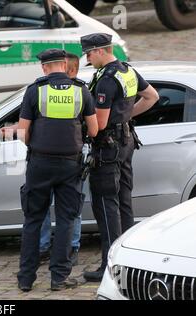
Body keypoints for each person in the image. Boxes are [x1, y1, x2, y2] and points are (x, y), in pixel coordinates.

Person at [16, 49, 98, 292]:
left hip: (39, 163)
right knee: (65, 220)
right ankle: (59, 278)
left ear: (44, 68)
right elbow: (93, 131)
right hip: (70, 166)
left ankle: (26, 279)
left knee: (33, 219)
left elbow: (22, 132)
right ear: (65, 64)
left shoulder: (35, 90)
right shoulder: (81, 90)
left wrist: (36, 142)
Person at [80, 33, 159, 282]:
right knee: (124, 201)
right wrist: (126, 117)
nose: (88, 59)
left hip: (108, 147)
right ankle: (128, 259)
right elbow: (152, 97)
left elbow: (100, 123)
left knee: (106, 206)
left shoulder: (106, 80)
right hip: (125, 142)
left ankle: (110, 265)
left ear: (101, 51)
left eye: (90, 54)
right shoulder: (127, 71)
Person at [39, 53, 85, 266]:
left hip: (55, 159)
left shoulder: (79, 92)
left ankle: (63, 248)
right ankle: (64, 249)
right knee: (68, 208)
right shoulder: (81, 92)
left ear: (70, 69)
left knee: (65, 208)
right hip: (69, 159)